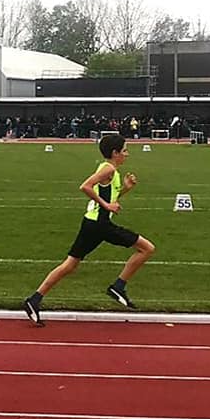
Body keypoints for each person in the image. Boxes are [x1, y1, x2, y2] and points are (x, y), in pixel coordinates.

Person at [22, 134, 155, 327]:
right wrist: (106, 206)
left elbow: (110, 197)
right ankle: (118, 286)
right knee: (147, 248)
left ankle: (34, 299)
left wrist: (125, 189)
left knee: (70, 265)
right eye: (125, 150)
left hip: (91, 224)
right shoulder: (108, 169)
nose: (127, 154)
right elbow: (85, 187)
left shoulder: (111, 171)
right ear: (115, 153)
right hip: (101, 225)